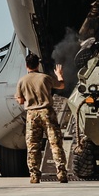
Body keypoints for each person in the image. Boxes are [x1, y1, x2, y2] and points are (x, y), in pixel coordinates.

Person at [16, 53, 68, 185]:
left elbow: (20, 100)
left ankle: (34, 175)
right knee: (55, 143)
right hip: (47, 112)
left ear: (27, 65)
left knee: (33, 145)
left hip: (32, 114)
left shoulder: (22, 81)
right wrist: (60, 75)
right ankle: (61, 172)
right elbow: (61, 86)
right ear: (37, 65)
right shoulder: (46, 78)